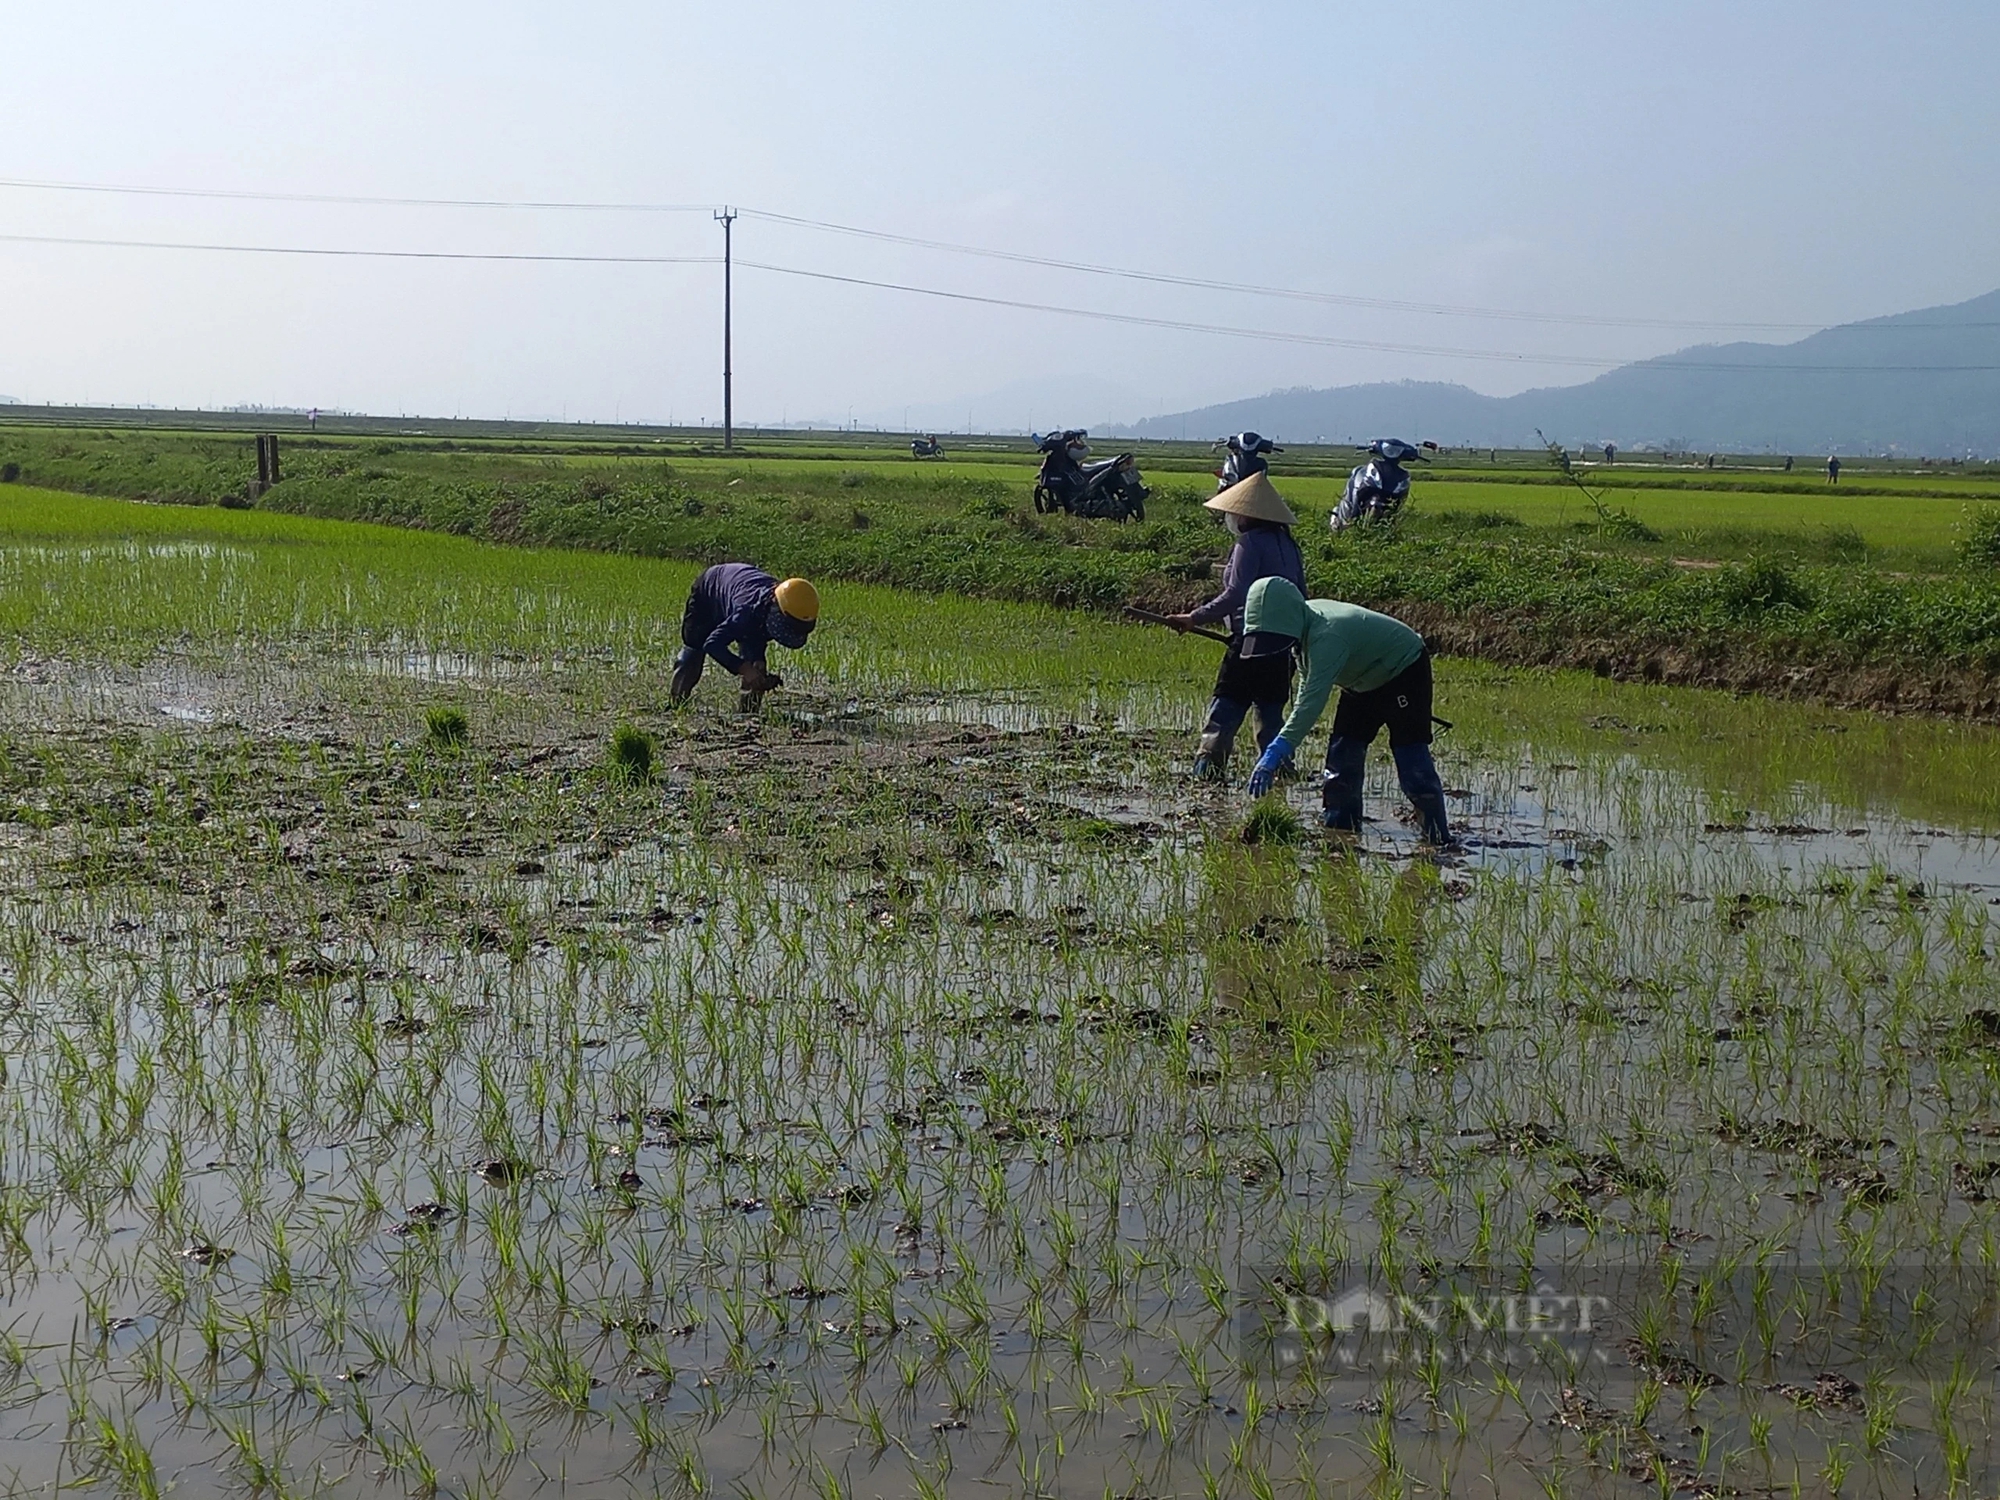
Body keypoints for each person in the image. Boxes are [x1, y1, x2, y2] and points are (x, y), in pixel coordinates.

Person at [1238, 577, 1452, 846]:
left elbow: (1310, 702)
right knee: (1342, 758)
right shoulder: (1302, 626)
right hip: (1360, 682)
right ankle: (1341, 834)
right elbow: (1306, 683)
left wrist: (1277, 749)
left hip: (1403, 670)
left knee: (1412, 763)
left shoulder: (1327, 636)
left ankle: (1437, 840)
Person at [1162, 473, 1306, 782]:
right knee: (1270, 714)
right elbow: (1301, 596)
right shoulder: (1290, 546)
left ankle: (1206, 776)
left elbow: (1236, 594)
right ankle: (1278, 775)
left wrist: (1193, 617)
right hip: (1282, 647)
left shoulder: (1249, 543)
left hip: (1250, 642)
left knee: (1226, 707)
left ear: (1245, 514)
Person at [669, 563, 818, 705]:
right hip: (709, 590)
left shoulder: (780, 607)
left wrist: (756, 664)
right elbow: (712, 644)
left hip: (744, 594)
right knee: (695, 647)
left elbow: (758, 636)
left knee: (756, 666)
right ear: (777, 609)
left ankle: (748, 716)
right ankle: (676, 703)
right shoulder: (745, 613)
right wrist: (743, 668)